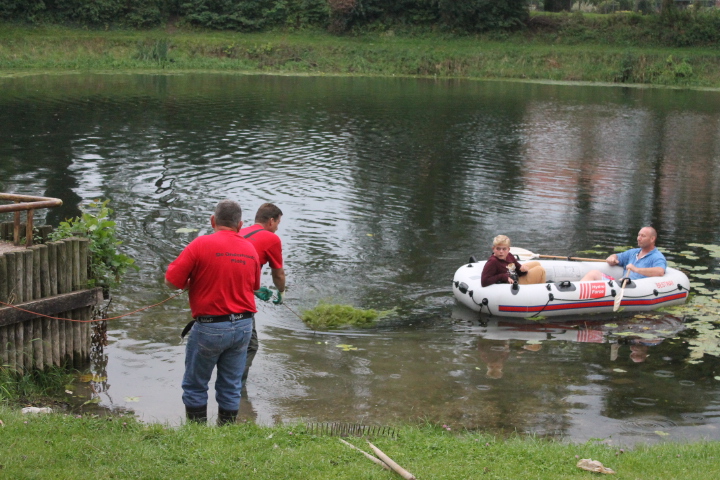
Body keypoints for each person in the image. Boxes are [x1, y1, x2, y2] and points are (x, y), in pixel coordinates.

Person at [165, 200, 260, 426]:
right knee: (231, 385)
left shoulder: (200, 244)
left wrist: (192, 283)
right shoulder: (250, 249)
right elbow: (254, 286)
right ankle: (226, 431)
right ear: (240, 225)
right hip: (244, 326)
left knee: (196, 384)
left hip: (211, 327)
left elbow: (171, 281)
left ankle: (197, 432)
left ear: (213, 220)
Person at [238, 202, 286, 386]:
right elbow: (278, 274)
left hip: (224, 290)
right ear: (271, 221)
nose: (277, 228)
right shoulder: (271, 238)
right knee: (250, 345)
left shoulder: (238, 232)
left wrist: (254, 288)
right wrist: (281, 291)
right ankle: (237, 388)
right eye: (278, 223)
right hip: (241, 299)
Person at [580, 226, 666, 282]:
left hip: (634, 288)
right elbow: (617, 256)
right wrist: (612, 258)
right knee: (593, 273)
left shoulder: (657, 257)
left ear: (652, 239)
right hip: (620, 284)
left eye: (643, 236)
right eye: (638, 235)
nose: (639, 238)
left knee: (594, 274)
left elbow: (660, 271)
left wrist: (636, 269)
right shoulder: (633, 252)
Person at [480, 235, 546, 287]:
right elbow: (484, 281)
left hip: (515, 275)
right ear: (493, 249)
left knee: (537, 263)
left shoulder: (509, 255)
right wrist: (503, 277)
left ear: (508, 249)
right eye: (498, 249)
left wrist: (523, 270)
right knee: (540, 270)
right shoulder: (493, 262)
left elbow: (518, 268)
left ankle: (537, 285)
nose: (501, 251)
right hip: (515, 283)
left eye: (504, 249)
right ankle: (541, 292)